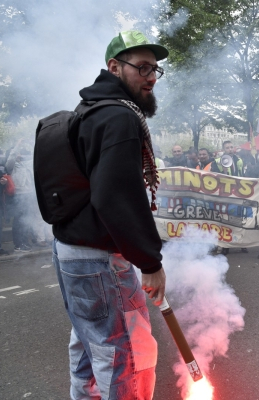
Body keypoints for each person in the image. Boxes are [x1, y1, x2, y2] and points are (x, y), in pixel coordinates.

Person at [48, 31, 168, 399]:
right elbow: (117, 196)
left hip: (72, 249)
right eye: (142, 67)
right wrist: (150, 262)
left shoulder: (91, 109)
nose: (150, 76)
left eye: (155, 69)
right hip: (98, 259)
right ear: (114, 67)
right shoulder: (118, 117)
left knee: (90, 346)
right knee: (127, 354)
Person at [5, 140, 35, 252]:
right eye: (17, 153)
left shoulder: (26, 164)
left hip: (28, 195)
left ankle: (25, 242)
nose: (19, 155)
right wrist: (17, 145)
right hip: (18, 196)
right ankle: (18, 244)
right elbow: (11, 157)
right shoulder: (11, 166)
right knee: (18, 220)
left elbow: (35, 155)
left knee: (26, 220)